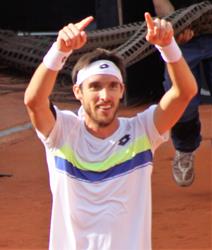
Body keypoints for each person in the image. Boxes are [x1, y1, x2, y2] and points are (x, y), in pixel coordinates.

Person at [24, 13, 197, 250]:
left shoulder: (142, 131)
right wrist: (59, 51)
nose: (105, 96)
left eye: (112, 86)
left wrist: (168, 46)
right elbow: (34, 101)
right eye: (95, 86)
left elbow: (185, 92)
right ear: (78, 92)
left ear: (121, 90)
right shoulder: (62, 132)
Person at [152, 0, 212, 187]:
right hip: (185, 39)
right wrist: (175, 29)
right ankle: (185, 148)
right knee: (181, 101)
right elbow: (162, 4)